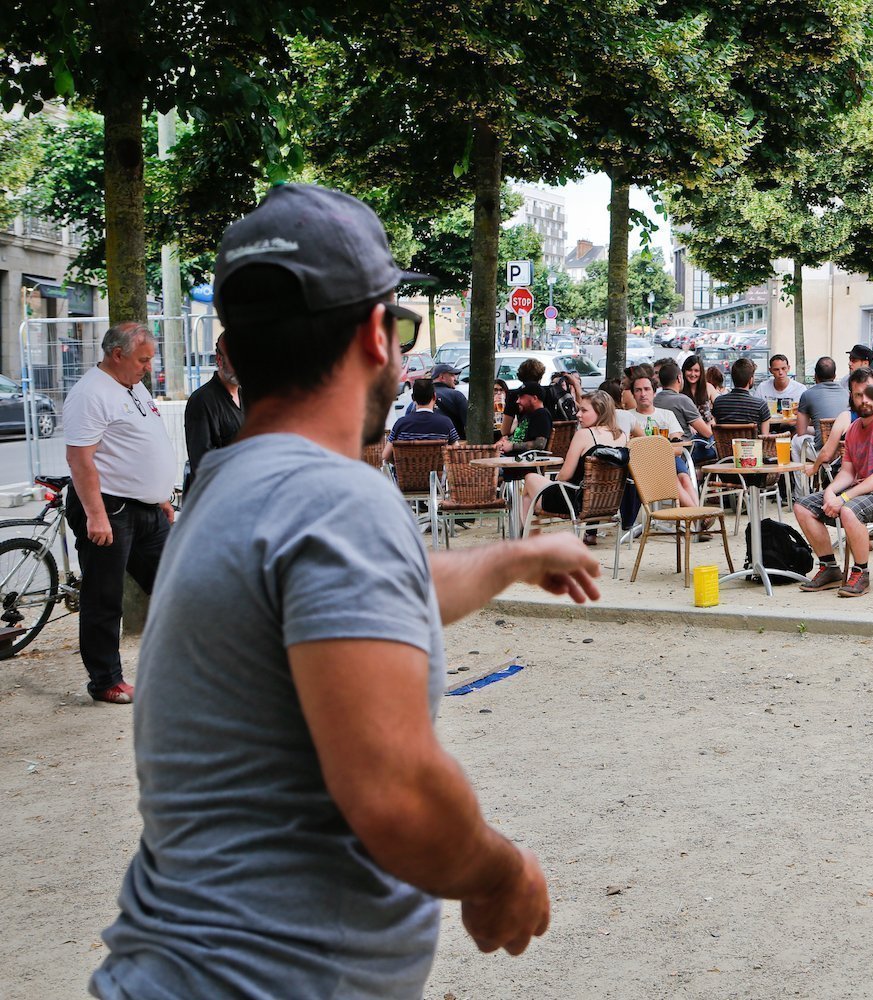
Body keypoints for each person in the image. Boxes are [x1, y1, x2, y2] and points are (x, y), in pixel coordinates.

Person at [89, 182, 601, 999]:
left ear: (235, 348)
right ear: (374, 334)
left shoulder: (233, 488)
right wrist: (498, 874)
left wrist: (511, 561)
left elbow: (371, 600)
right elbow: (394, 789)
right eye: (401, 329)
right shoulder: (333, 500)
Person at [62, 321, 177, 705]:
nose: (150, 366)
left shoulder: (133, 385)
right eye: (143, 359)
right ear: (117, 355)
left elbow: (140, 445)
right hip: (109, 508)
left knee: (176, 581)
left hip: (147, 509)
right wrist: (96, 516)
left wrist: (159, 494)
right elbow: (80, 460)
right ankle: (105, 680)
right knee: (104, 597)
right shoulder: (91, 393)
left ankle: (189, 663)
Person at [795, 381, 873, 598]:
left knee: (849, 509)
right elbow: (848, 472)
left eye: (870, 394)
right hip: (865, 489)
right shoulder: (854, 429)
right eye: (859, 395)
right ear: (852, 396)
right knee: (803, 507)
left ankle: (861, 572)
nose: (865, 400)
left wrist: (844, 498)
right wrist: (831, 492)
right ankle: (829, 568)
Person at [521, 390, 629, 522]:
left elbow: (565, 475)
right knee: (533, 493)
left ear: (600, 412)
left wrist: (555, 480)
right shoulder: (622, 436)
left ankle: (525, 537)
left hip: (575, 501)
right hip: (607, 502)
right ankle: (528, 535)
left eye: (584, 411)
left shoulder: (584, 434)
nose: (578, 414)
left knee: (529, 478)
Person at [622, 370, 699, 508]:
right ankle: (698, 516)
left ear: (654, 392)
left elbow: (678, 448)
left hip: (669, 458)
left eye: (646, 389)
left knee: (685, 479)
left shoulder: (667, 415)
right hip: (641, 464)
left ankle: (698, 516)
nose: (643, 394)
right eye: (638, 390)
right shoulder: (627, 417)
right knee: (673, 479)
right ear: (633, 394)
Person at [182, 333, 243, 495]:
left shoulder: (249, 397)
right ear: (219, 359)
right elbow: (202, 462)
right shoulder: (202, 401)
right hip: (219, 497)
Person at [382, 377, 459, 463]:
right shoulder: (446, 423)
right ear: (434, 396)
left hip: (406, 475)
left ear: (413, 398)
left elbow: (385, 456)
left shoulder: (401, 424)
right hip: (437, 475)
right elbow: (456, 454)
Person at [655, 360, 715, 459]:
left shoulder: (655, 399)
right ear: (679, 378)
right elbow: (707, 433)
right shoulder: (682, 400)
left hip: (659, 449)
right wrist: (712, 421)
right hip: (684, 451)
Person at [795, 356, 847, 459]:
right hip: (844, 451)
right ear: (835, 375)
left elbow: (801, 431)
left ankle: (799, 474)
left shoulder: (807, 395)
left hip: (822, 452)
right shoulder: (847, 394)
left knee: (796, 440)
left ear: (815, 375)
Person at [710, 357, 771, 433]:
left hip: (724, 444)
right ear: (751, 379)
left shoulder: (718, 402)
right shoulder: (760, 405)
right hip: (752, 445)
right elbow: (765, 437)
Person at [500, 383, 553, 455]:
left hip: (524, 462)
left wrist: (512, 446)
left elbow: (540, 444)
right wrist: (505, 442)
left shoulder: (542, 414)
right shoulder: (527, 414)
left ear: (534, 398)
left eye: (521, 397)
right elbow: (519, 437)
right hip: (509, 458)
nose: (517, 401)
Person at [754, 353, 806, 418]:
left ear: (788, 368)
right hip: (769, 425)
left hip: (791, 426)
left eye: (783, 368)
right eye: (776, 369)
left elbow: (805, 413)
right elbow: (755, 409)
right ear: (770, 371)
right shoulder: (762, 387)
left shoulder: (800, 388)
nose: (780, 372)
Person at [426, 362, 469, 430]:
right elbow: (470, 422)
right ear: (442, 377)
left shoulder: (421, 396)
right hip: (453, 439)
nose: (455, 379)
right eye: (452, 375)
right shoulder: (456, 395)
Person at [682, 354, 712, 422]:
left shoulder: (708, 387)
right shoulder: (679, 389)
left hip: (707, 430)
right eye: (689, 370)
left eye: (696, 371)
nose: (693, 374)